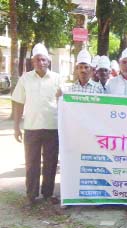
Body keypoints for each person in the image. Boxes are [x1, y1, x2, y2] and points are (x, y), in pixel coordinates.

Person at [11, 43, 63, 206]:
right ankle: (31, 195)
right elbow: (18, 103)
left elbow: (64, 102)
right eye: (37, 60)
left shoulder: (57, 78)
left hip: (52, 127)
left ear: (48, 61)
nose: (41, 63)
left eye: (43, 60)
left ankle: (48, 194)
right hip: (31, 128)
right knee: (31, 163)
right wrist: (16, 126)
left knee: (51, 162)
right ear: (32, 62)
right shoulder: (25, 79)